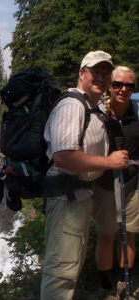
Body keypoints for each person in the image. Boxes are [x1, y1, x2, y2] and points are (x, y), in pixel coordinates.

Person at [40, 51, 129, 300]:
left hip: (80, 194)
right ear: (81, 73)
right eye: (95, 72)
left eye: (105, 73)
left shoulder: (92, 105)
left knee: (70, 265)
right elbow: (64, 156)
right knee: (61, 271)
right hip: (66, 197)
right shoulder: (72, 105)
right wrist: (108, 162)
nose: (100, 78)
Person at [94, 66, 138, 299]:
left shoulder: (137, 112)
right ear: (110, 86)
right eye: (118, 84)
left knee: (129, 233)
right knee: (107, 234)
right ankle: (105, 285)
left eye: (129, 85)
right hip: (105, 184)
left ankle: (124, 283)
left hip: (132, 183)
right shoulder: (99, 114)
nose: (123, 89)